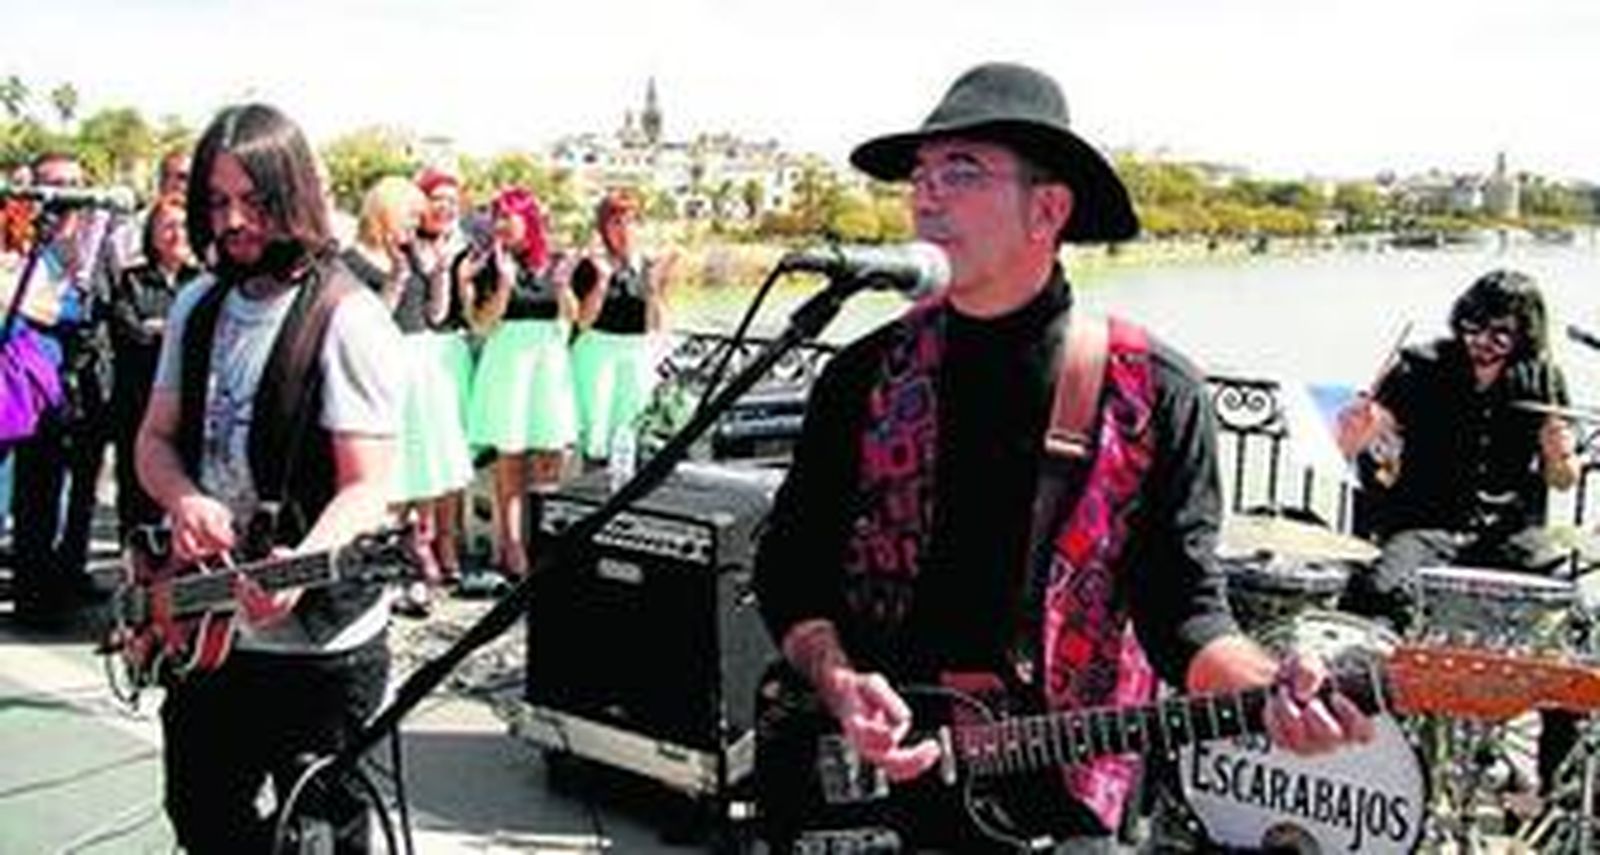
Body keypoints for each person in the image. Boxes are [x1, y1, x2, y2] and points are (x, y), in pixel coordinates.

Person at [752, 62, 1372, 852]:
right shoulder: (862, 375)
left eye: (961, 170)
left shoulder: (1152, 391)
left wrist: (1273, 687)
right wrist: (839, 681)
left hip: (1059, 789)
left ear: (1048, 209)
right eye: (920, 175)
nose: (927, 195)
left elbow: (1183, 608)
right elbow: (792, 565)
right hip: (865, 773)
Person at [135, 103, 404, 854]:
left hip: (321, 650)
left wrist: (302, 559)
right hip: (208, 632)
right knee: (201, 814)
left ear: (293, 195)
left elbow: (367, 484)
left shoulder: (348, 317)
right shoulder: (198, 304)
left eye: (253, 201)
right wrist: (184, 498)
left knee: (319, 837)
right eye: (217, 201)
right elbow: (153, 440)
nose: (233, 221)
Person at [1334, 268, 1579, 792]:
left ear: (1524, 334)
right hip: (1428, 524)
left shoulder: (1542, 378)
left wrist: (1561, 458)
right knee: (1376, 592)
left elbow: (1563, 478)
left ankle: (1554, 784)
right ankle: (1370, 748)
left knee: (1571, 627)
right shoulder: (1420, 365)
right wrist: (1357, 431)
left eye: (1499, 334)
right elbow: (1366, 437)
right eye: (1472, 328)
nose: (1481, 343)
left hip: (1509, 534)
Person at [341, 176, 469, 615]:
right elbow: (367, 324)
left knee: (423, 476)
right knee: (390, 481)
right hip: (383, 368)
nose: (417, 223)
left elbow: (435, 314)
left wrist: (441, 273)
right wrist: (395, 280)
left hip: (421, 368)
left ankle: (415, 570)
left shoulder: (415, 252)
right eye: (411, 215)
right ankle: (382, 578)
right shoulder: (351, 261)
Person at [3, 150, 115, 626]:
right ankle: (32, 586)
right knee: (24, 491)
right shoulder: (19, 238)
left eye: (74, 185)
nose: (68, 197)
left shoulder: (102, 237)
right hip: (21, 385)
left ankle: (56, 583)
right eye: (55, 186)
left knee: (67, 489)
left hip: (78, 384)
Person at [458, 186, 577, 579]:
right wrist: (505, 286)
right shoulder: (488, 264)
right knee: (509, 459)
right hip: (508, 364)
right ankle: (512, 547)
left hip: (547, 366)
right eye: (497, 217)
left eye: (507, 217)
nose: (500, 225)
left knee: (549, 458)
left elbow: (573, 317)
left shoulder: (554, 262)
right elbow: (480, 324)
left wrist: (564, 287)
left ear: (528, 220)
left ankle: (547, 544)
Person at [107, 191, 200, 542]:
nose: (177, 235)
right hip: (138, 400)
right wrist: (170, 332)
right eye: (168, 227)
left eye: (184, 227)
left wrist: (162, 329)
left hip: (186, 403)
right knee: (135, 492)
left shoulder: (201, 282)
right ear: (152, 234)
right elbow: (129, 331)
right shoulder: (131, 280)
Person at [571, 189, 675, 467]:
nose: (624, 229)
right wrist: (601, 282)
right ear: (603, 228)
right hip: (597, 354)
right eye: (616, 222)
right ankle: (593, 486)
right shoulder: (590, 265)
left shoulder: (650, 265)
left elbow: (657, 326)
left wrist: (652, 288)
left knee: (635, 431)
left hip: (637, 354)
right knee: (597, 434)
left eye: (631, 221)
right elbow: (582, 322)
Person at [411, 166, 473, 583]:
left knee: (453, 452)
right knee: (423, 451)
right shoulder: (408, 245)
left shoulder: (467, 248)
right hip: (418, 354)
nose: (446, 207)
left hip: (454, 352)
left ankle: (449, 541)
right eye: (438, 199)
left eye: (452, 201)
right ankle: (421, 541)